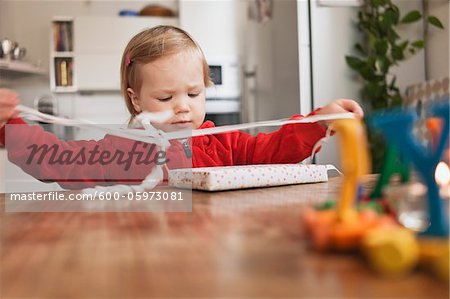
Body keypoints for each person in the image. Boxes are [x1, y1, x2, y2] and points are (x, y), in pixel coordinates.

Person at [0, 25, 363, 189]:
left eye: (193, 94)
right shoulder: (122, 150)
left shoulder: (227, 144)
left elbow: (275, 150)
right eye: (165, 98)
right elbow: (55, 159)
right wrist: (8, 126)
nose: (182, 108)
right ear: (135, 99)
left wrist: (320, 121)